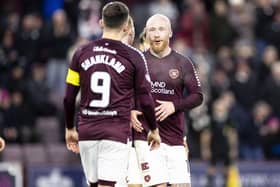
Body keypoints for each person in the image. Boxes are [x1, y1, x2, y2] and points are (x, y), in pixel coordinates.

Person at [63, 2, 161, 187]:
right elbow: (146, 100)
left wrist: (69, 128)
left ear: (101, 23)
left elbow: (69, 97)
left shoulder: (80, 53)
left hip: (87, 129)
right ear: (126, 26)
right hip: (116, 131)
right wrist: (154, 130)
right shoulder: (134, 56)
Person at [130, 14, 203, 187]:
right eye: (152, 30)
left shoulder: (183, 63)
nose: (156, 34)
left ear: (170, 33)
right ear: (147, 34)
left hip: (175, 138)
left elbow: (197, 96)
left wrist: (174, 105)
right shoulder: (138, 61)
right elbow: (123, 92)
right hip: (148, 139)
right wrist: (129, 111)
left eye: (161, 29)